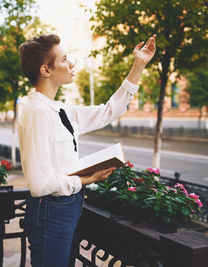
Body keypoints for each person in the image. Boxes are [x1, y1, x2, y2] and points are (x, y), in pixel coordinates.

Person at [17, 33, 156, 266]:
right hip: (51, 211)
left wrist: (138, 65)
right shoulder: (37, 112)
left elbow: (109, 110)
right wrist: (87, 178)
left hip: (67, 207)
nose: (72, 64)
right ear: (46, 70)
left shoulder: (61, 110)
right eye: (64, 59)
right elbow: (39, 184)